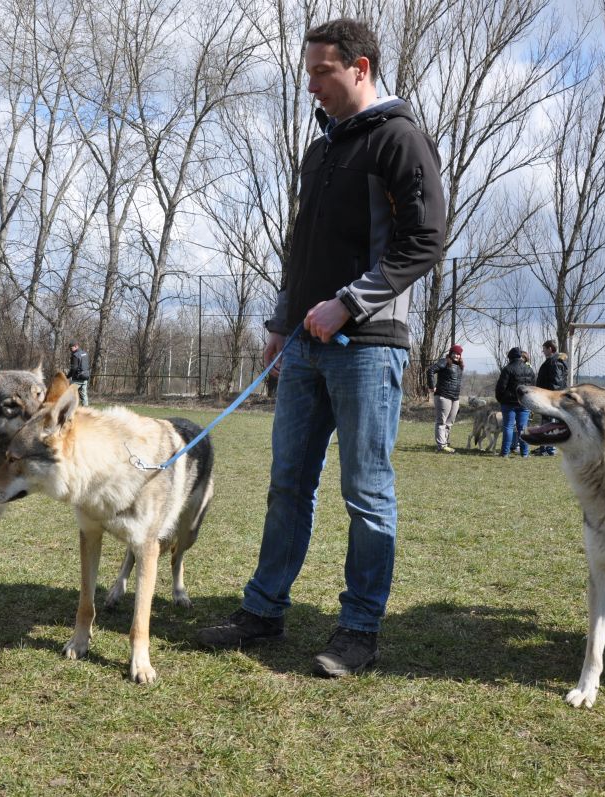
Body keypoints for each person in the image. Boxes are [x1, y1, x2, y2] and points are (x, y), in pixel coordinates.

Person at [197, 18, 445, 677]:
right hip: (304, 348)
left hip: (368, 346)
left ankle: (359, 629)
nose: (310, 84)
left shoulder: (400, 139)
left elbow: (423, 242)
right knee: (287, 483)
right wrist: (283, 319)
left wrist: (349, 302)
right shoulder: (319, 151)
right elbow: (301, 249)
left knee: (366, 490)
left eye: (322, 72)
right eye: (307, 72)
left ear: (360, 69)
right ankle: (262, 609)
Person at [495, 347, 535, 458]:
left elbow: (500, 387)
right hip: (524, 403)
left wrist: (500, 399)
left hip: (508, 403)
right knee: (523, 428)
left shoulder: (507, 369)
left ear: (510, 357)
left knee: (508, 427)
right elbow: (533, 387)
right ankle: (525, 453)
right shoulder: (529, 369)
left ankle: (505, 452)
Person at [426, 344, 464, 453]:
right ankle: (441, 445)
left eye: (458, 354)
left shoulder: (460, 366)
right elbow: (430, 371)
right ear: (451, 353)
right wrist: (431, 386)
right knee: (441, 421)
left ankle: (445, 443)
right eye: (454, 353)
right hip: (443, 396)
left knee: (450, 422)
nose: (456, 355)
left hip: (455, 398)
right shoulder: (445, 361)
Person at [534, 339, 568, 456]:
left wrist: (549, 396)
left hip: (550, 398)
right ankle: (544, 448)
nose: (542, 351)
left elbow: (556, 383)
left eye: (544, 348)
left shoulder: (554, 363)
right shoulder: (553, 362)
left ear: (549, 349)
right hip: (547, 396)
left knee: (549, 423)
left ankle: (549, 449)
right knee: (546, 422)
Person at [67, 342, 90, 407]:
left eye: (71, 348)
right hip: (85, 377)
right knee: (84, 395)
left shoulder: (75, 355)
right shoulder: (85, 353)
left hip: (77, 378)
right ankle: (86, 409)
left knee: (70, 394)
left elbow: (73, 369)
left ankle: (70, 409)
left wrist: (67, 376)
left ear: (76, 346)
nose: (70, 350)